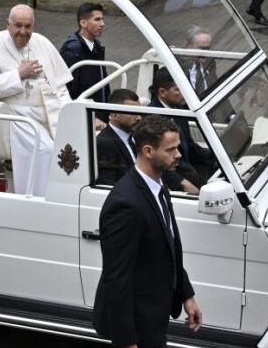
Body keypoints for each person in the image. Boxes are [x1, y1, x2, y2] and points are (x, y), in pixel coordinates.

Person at [93, 114, 202, 348]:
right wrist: (127, 341)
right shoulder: (126, 204)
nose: (178, 155)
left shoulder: (159, 186)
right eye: (170, 150)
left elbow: (169, 246)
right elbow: (117, 277)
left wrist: (186, 295)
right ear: (148, 151)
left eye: (178, 148)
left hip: (155, 315)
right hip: (137, 323)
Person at [0, 4, 72, 196]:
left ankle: (65, 195)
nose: (23, 31)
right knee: (46, 149)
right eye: (18, 25)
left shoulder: (41, 42)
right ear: (7, 25)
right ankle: (37, 198)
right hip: (18, 114)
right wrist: (19, 74)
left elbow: (59, 85)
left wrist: (72, 113)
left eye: (28, 26)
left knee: (76, 141)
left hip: (49, 109)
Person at [149, 67, 216, 190]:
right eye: (178, 90)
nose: (185, 93)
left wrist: (215, 159)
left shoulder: (179, 109)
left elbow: (189, 145)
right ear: (163, 92)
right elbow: (159, 164)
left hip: (190, 167)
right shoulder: (152, 121)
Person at [60, 3, 109, 127]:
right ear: (83, 23)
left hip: (98, 112)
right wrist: (87, 117)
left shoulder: (96, 45)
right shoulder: (72, 51)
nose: (102, 24)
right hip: (84, 119)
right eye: (97, 19)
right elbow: (67, 90)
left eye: (102, 19)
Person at [96, 89, 141, 186]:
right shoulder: (104, 143)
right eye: (133, 113)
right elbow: (109, 184)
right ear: (115, 115)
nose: (139, 118)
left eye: (139, 112)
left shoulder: (137, 136)